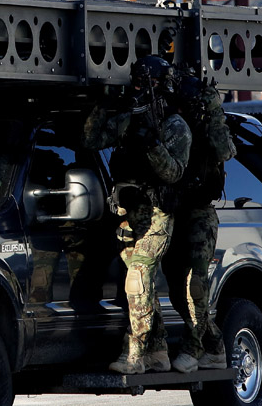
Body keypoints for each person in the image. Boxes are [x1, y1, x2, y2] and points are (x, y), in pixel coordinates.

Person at [82, 56, 192, 374]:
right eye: (140, 82)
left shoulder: (175, 126)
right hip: (130, 215)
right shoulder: (132, 117)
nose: (143, 89)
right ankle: (158, 349)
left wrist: (152, 143)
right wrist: (105, 104)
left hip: (158, 213)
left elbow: (173, 172)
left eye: (149, 83)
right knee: (141, 290)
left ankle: (135, 354)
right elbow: (91, 140)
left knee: (138, 279)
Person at [163, 69, 237, 373]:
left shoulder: (210, 126)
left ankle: (193, 348)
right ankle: (216, 345)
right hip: (175, 212)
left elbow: (227, 150)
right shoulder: (173, 125)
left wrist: (214, 111)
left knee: (196, 284)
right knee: (178, 292)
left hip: (200, 213)